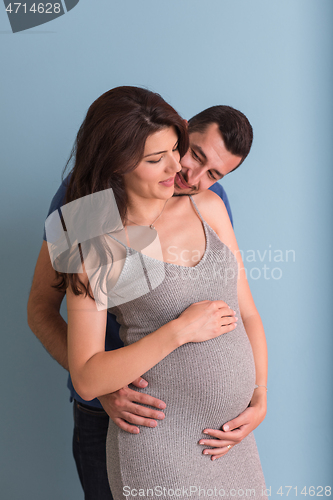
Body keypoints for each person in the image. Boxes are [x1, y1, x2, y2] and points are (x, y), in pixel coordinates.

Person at [27, 90, 267, 499]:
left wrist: (257, 393)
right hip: (132, 419)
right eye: (189, 154)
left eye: (214, 173)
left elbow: (240, 306)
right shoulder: (86, 215)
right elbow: (42, 311)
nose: (187, 174)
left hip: (222, 438)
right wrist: (105, 390)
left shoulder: (206, 200)